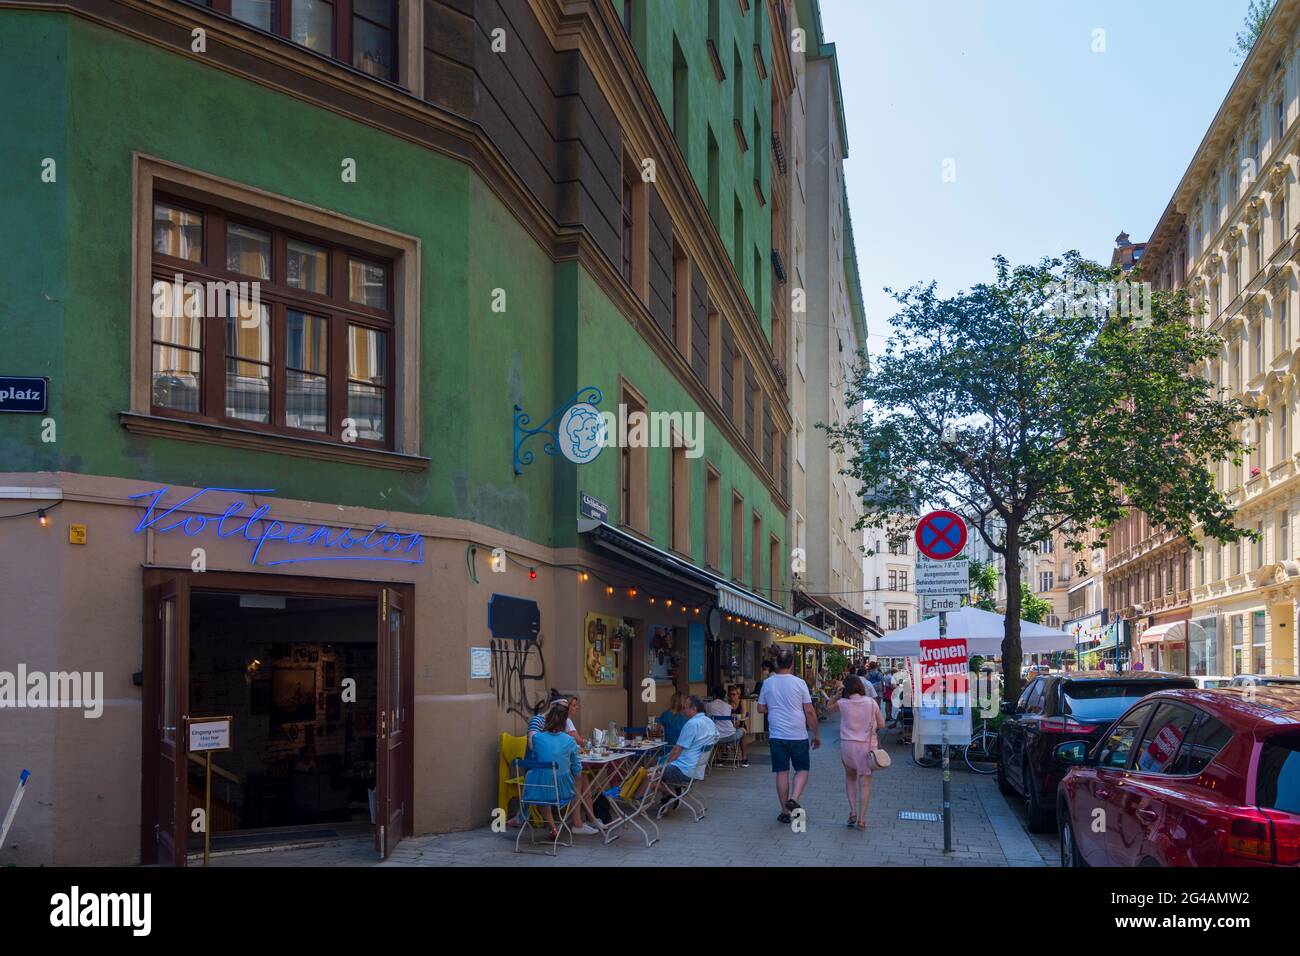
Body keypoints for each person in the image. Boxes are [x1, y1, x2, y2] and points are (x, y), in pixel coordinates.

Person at [758, 649, 820, 824]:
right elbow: (809, 710)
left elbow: (760, 708)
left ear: (777, 663)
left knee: (781, 771)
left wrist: (775, 708)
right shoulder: (800, 683)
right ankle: (794, 797)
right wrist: (816, 734)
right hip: (798, 733)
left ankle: (785, 811)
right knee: (802, 768)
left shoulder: (768, 683)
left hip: (777, 734)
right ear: (792, 664)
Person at [522, 704, 603, 836]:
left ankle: (553, 828)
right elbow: (577, 767)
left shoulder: (537, 738)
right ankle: (578, 821)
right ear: (565, 722)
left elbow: (538, 758)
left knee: (541, 782)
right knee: (579, 776)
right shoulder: (569, 740)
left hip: (537, 791)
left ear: (547, 720)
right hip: (564, 791)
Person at [827, 674, 886, 830]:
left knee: (850, 778)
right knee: (865, 784)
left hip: (847, 747)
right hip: (867, 748)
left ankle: (852, 811)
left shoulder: (843, 703)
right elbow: (882, 724)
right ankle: (861, 819)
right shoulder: (871, 703)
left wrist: (838, 693)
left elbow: (828, 707)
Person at [656, 695, 718, 809]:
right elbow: (716, 738)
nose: (683, 710)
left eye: (685, 708)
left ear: (693, 709)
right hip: (697, 770)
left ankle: (671, 795)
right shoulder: (709, 721)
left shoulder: (692, 724)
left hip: (685, 770)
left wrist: (663, 765)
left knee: (651, 774)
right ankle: (669, 797)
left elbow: (676, 750)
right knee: (660, 767)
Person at [705, 685, 749, 767]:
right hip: (730, 735)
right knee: (743, 731)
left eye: (734, 694)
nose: (732, 696)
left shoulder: (707, 706)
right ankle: (744, 758)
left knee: (719, 729)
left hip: (715, 736)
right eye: (730, 694)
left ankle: (719, 758)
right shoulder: (728, 706)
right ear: (725, 696)